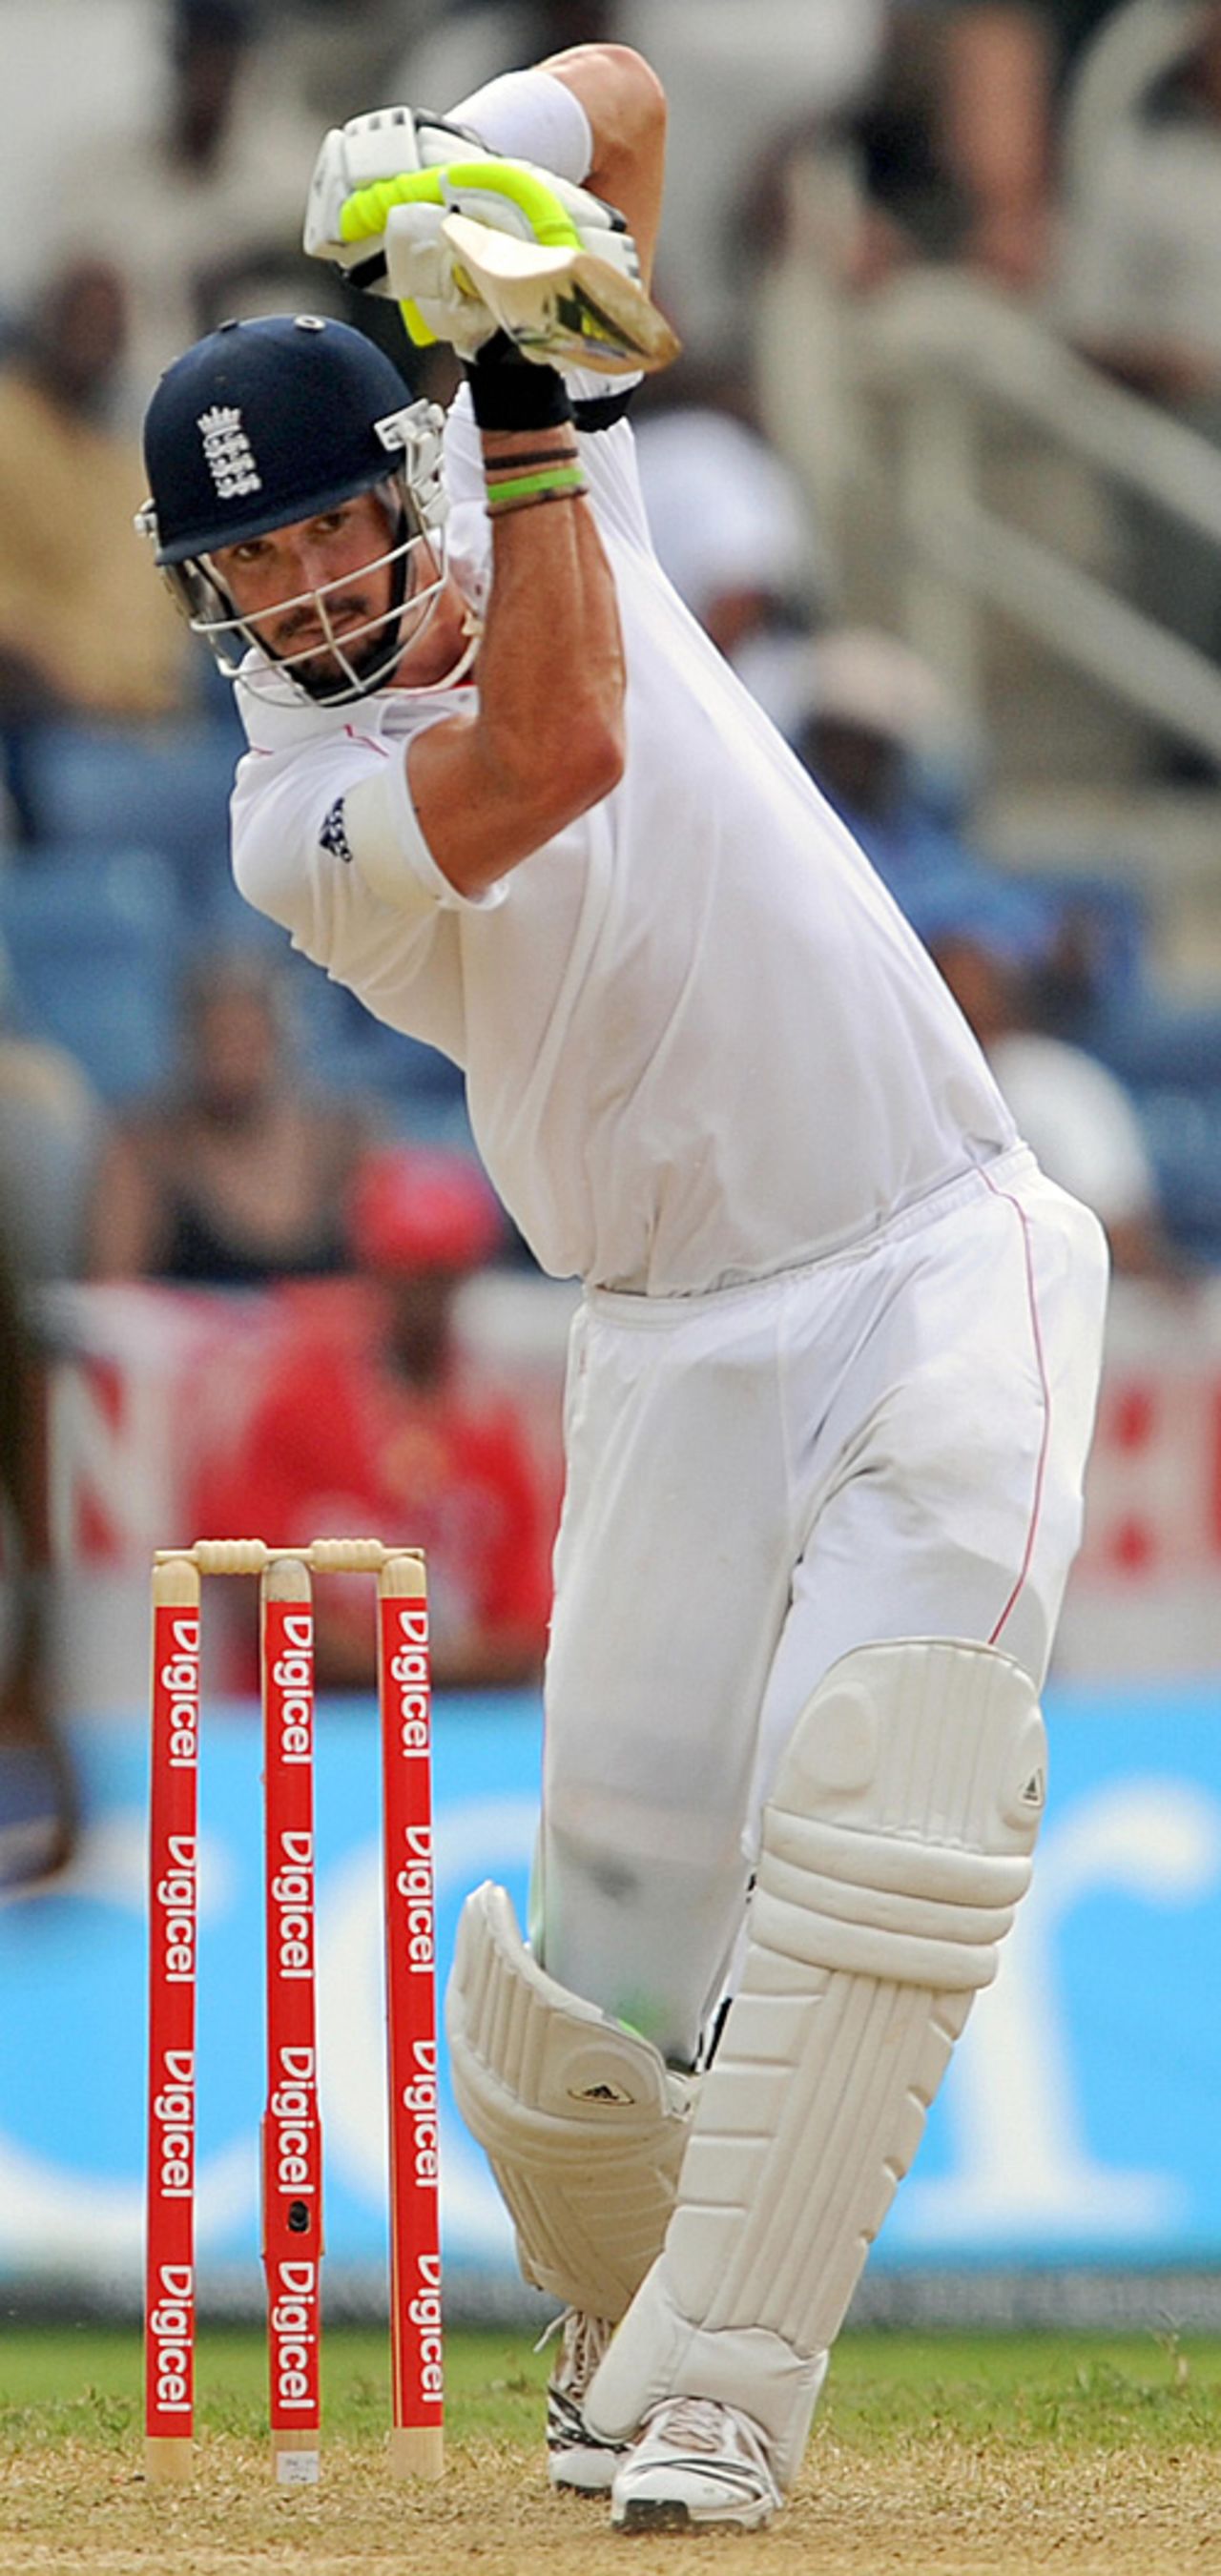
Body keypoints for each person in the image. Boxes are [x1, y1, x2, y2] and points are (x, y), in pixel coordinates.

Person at [138, 40, 1108, 2532]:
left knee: (892, 1789)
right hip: (663, 1334)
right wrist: (526, 375)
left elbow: (642, 107)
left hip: (932, 1243)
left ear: (388, 479)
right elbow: (559, 740)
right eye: (253, 571)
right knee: (601, 1971)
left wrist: (460, 156)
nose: (312, 590)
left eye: (335, 530)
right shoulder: (296, 816)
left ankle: (728, 2394)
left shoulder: (497, 446)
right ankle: (616, 2333)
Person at [191, 1142, 553, 1691]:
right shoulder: (295, 1401)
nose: (421, 1298)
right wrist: (400, 1671)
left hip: (456, 1727)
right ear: (373, 1268)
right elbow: (245, 1579)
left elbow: (527, 1627)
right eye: (405, 1272)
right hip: (307, 1720)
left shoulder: (495, 1425)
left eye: (440, 1275)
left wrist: (416, 1677)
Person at [87, 950, 373, 1287]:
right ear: (189, 1042)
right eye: (218, 1040)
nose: (232, 1061)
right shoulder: (146, 1149)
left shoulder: (342, 1137)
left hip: (322, 1334)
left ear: (281, 1040)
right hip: (188, 1335)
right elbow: (111, 1296)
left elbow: (397, 1281)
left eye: (248, 1041)